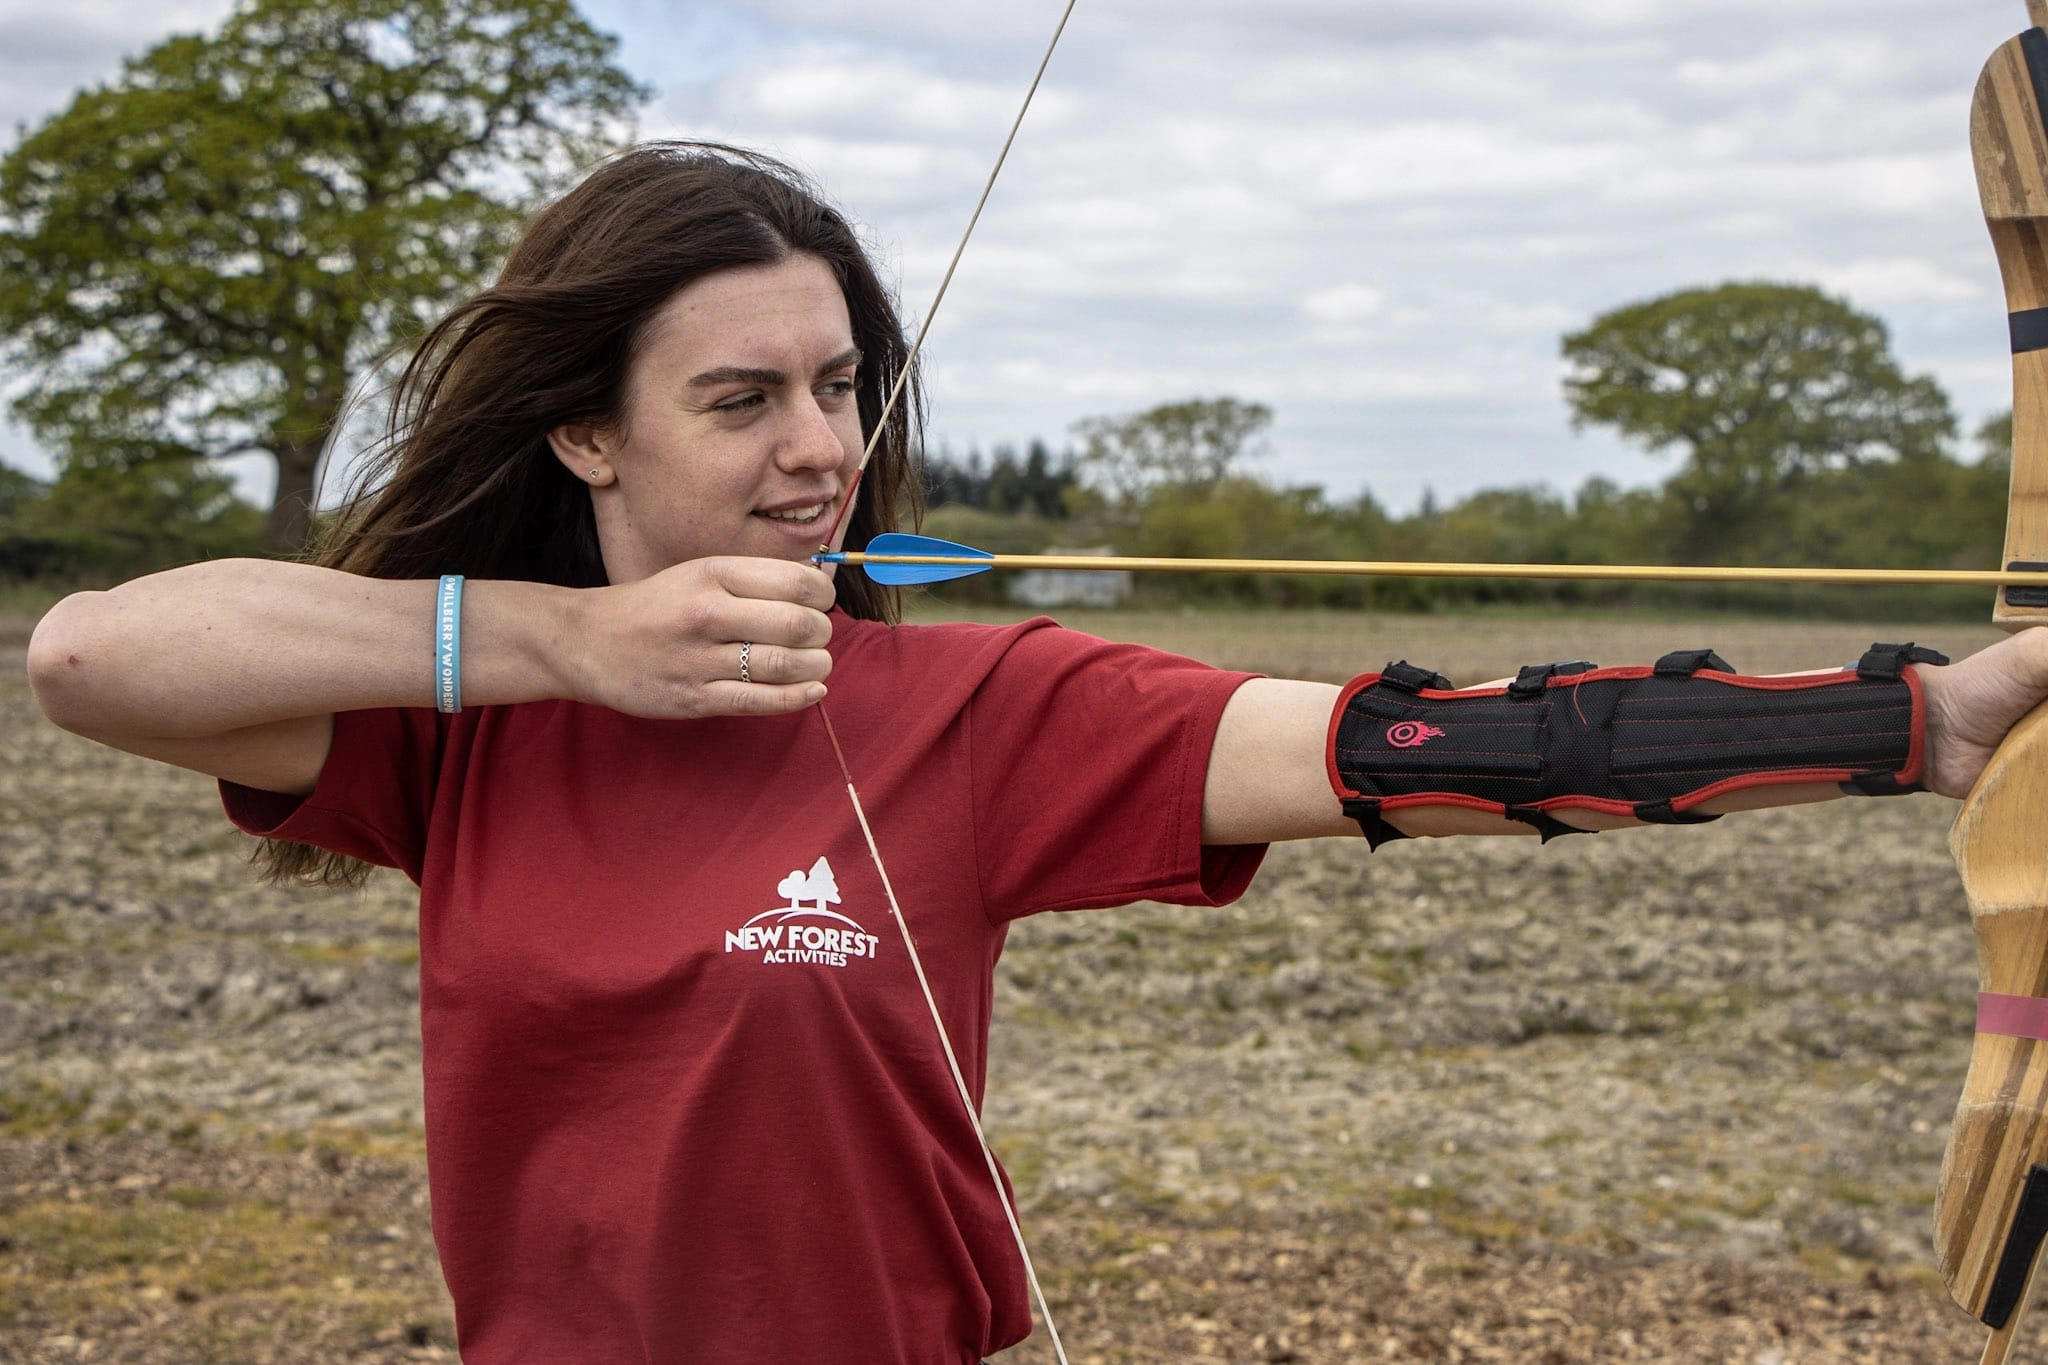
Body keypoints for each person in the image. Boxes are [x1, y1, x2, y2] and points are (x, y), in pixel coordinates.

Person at [23, 141, 2048, 1365]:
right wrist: (563, 642)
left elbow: (1425, 745)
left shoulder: (977, 712)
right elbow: (97, 653)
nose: (818, 445)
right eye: (739, 397)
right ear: (585, 433)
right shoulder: (459, 727)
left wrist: (1915, 720)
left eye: (838, 383)